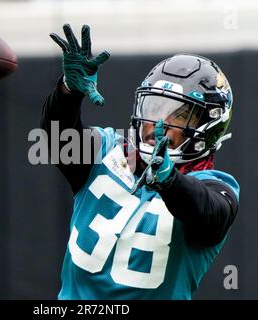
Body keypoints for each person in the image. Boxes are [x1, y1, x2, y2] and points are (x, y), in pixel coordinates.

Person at [41, 24, 239, 299]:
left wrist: (169, 180)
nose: (157, 123)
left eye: (178, 115)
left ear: (209, 126)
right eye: (155, 107)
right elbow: (58, 141)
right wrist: (67, 93)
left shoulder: (214, 186)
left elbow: (210, 214)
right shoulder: (110, 150)